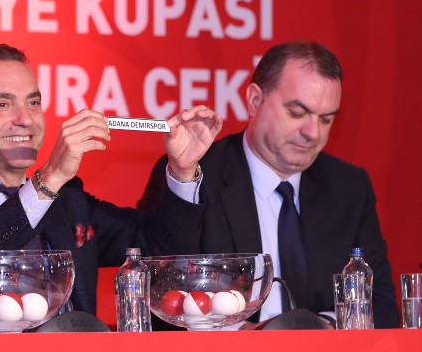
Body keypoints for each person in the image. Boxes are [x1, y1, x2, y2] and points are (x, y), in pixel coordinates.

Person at [0, 43, 223, 332]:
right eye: (3, 104)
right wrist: (47, 180)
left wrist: (183, 170)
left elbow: (158, 248)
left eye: (33, 103)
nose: (26, 119)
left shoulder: (67, 201)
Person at [138, 40, 398, 327]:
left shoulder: (349, 188)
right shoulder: (194, 176)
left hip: (329, 351)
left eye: (326, 119)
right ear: (254, 100)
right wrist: (247, 335)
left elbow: (381, 306)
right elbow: (160, 295)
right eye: (297, 113)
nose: (313, 132)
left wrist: (321, 328)